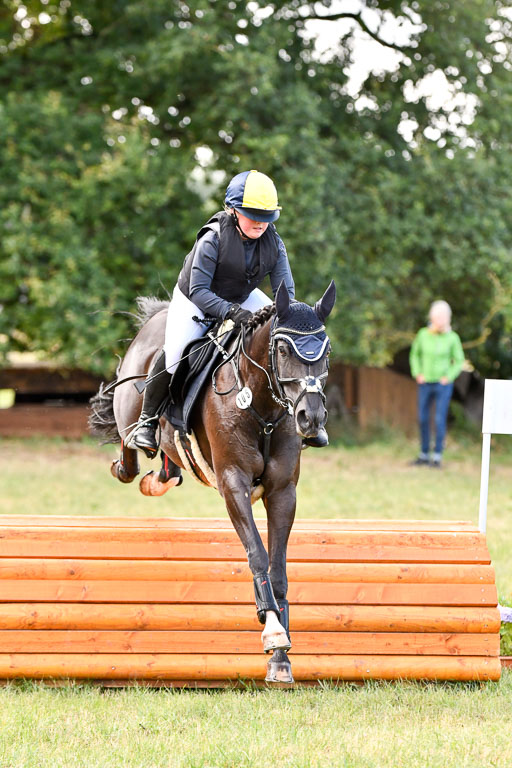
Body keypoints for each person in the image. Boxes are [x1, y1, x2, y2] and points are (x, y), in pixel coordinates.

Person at [129, 169, 329, 457]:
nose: (261, 223)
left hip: (242, 298)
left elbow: (285, 292)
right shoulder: (213, 239)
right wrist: (231, 313)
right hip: (195, 300)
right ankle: (146, 422)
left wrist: (290, 317)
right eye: (253, 215)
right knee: (175, 354)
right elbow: (199, 290)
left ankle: (308, 419)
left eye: (266, 217)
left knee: (283, 335)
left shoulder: (275, 242)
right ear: (234, 210)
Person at [409, 300, 464, 468]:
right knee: (423, 418)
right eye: (438, 317)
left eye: (444, 317)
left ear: (448, 318)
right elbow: (414, 355)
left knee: (440, 419)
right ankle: (424, 454)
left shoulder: (452, 338)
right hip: (425, 383)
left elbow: (459, 360)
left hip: (443, 385)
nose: (440, 320)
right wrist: (417, 373)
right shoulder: (423, 334)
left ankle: (437, 456)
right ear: (432, 317)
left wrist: (449, 376)